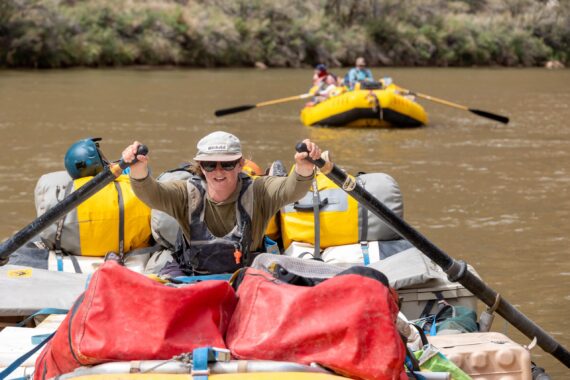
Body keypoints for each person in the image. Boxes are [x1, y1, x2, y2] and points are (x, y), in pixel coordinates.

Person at [122, 131, 322, 276]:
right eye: (210, 165)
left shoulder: (260, 191)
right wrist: (138, 168)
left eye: (227, 164)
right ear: (200, 166)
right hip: (192, 274)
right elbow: (150, 193)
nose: (218, 172)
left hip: (245, 276)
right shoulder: (184, 193)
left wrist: (304, 167)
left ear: (240, 164)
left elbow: (293, 188)